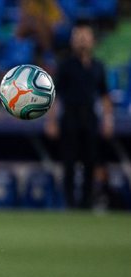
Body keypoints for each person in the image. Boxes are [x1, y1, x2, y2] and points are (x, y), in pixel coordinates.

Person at [44, 23, 114, 209]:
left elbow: (105, 95)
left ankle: (86, 202)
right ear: (72, 40)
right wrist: (51, 121)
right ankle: (70, 203)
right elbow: (55, 95)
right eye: (78, 36)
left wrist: (108, 120)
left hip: (90, 117)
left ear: (92, 39)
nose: (82, 40)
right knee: (69, 162)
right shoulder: (66, 65)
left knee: (91, 161)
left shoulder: (98, 66)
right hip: (70, 117)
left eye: (86, 36)